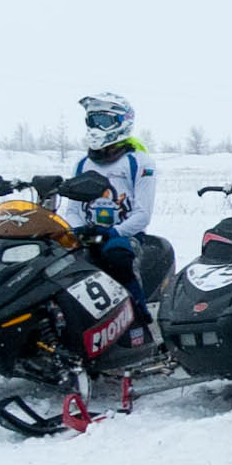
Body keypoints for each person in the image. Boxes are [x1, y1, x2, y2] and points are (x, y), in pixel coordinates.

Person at [68, 92, 161, 324]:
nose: (97, 127)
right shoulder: (82, 164)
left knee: (117, 258)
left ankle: (139, 318)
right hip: (89, 233)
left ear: (122, 123)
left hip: (124, 235)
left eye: (104, 121)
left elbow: (142, 214)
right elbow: (73, 208)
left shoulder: (138, 162)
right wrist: (78, 229)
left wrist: (114, 232)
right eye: (92, 120)